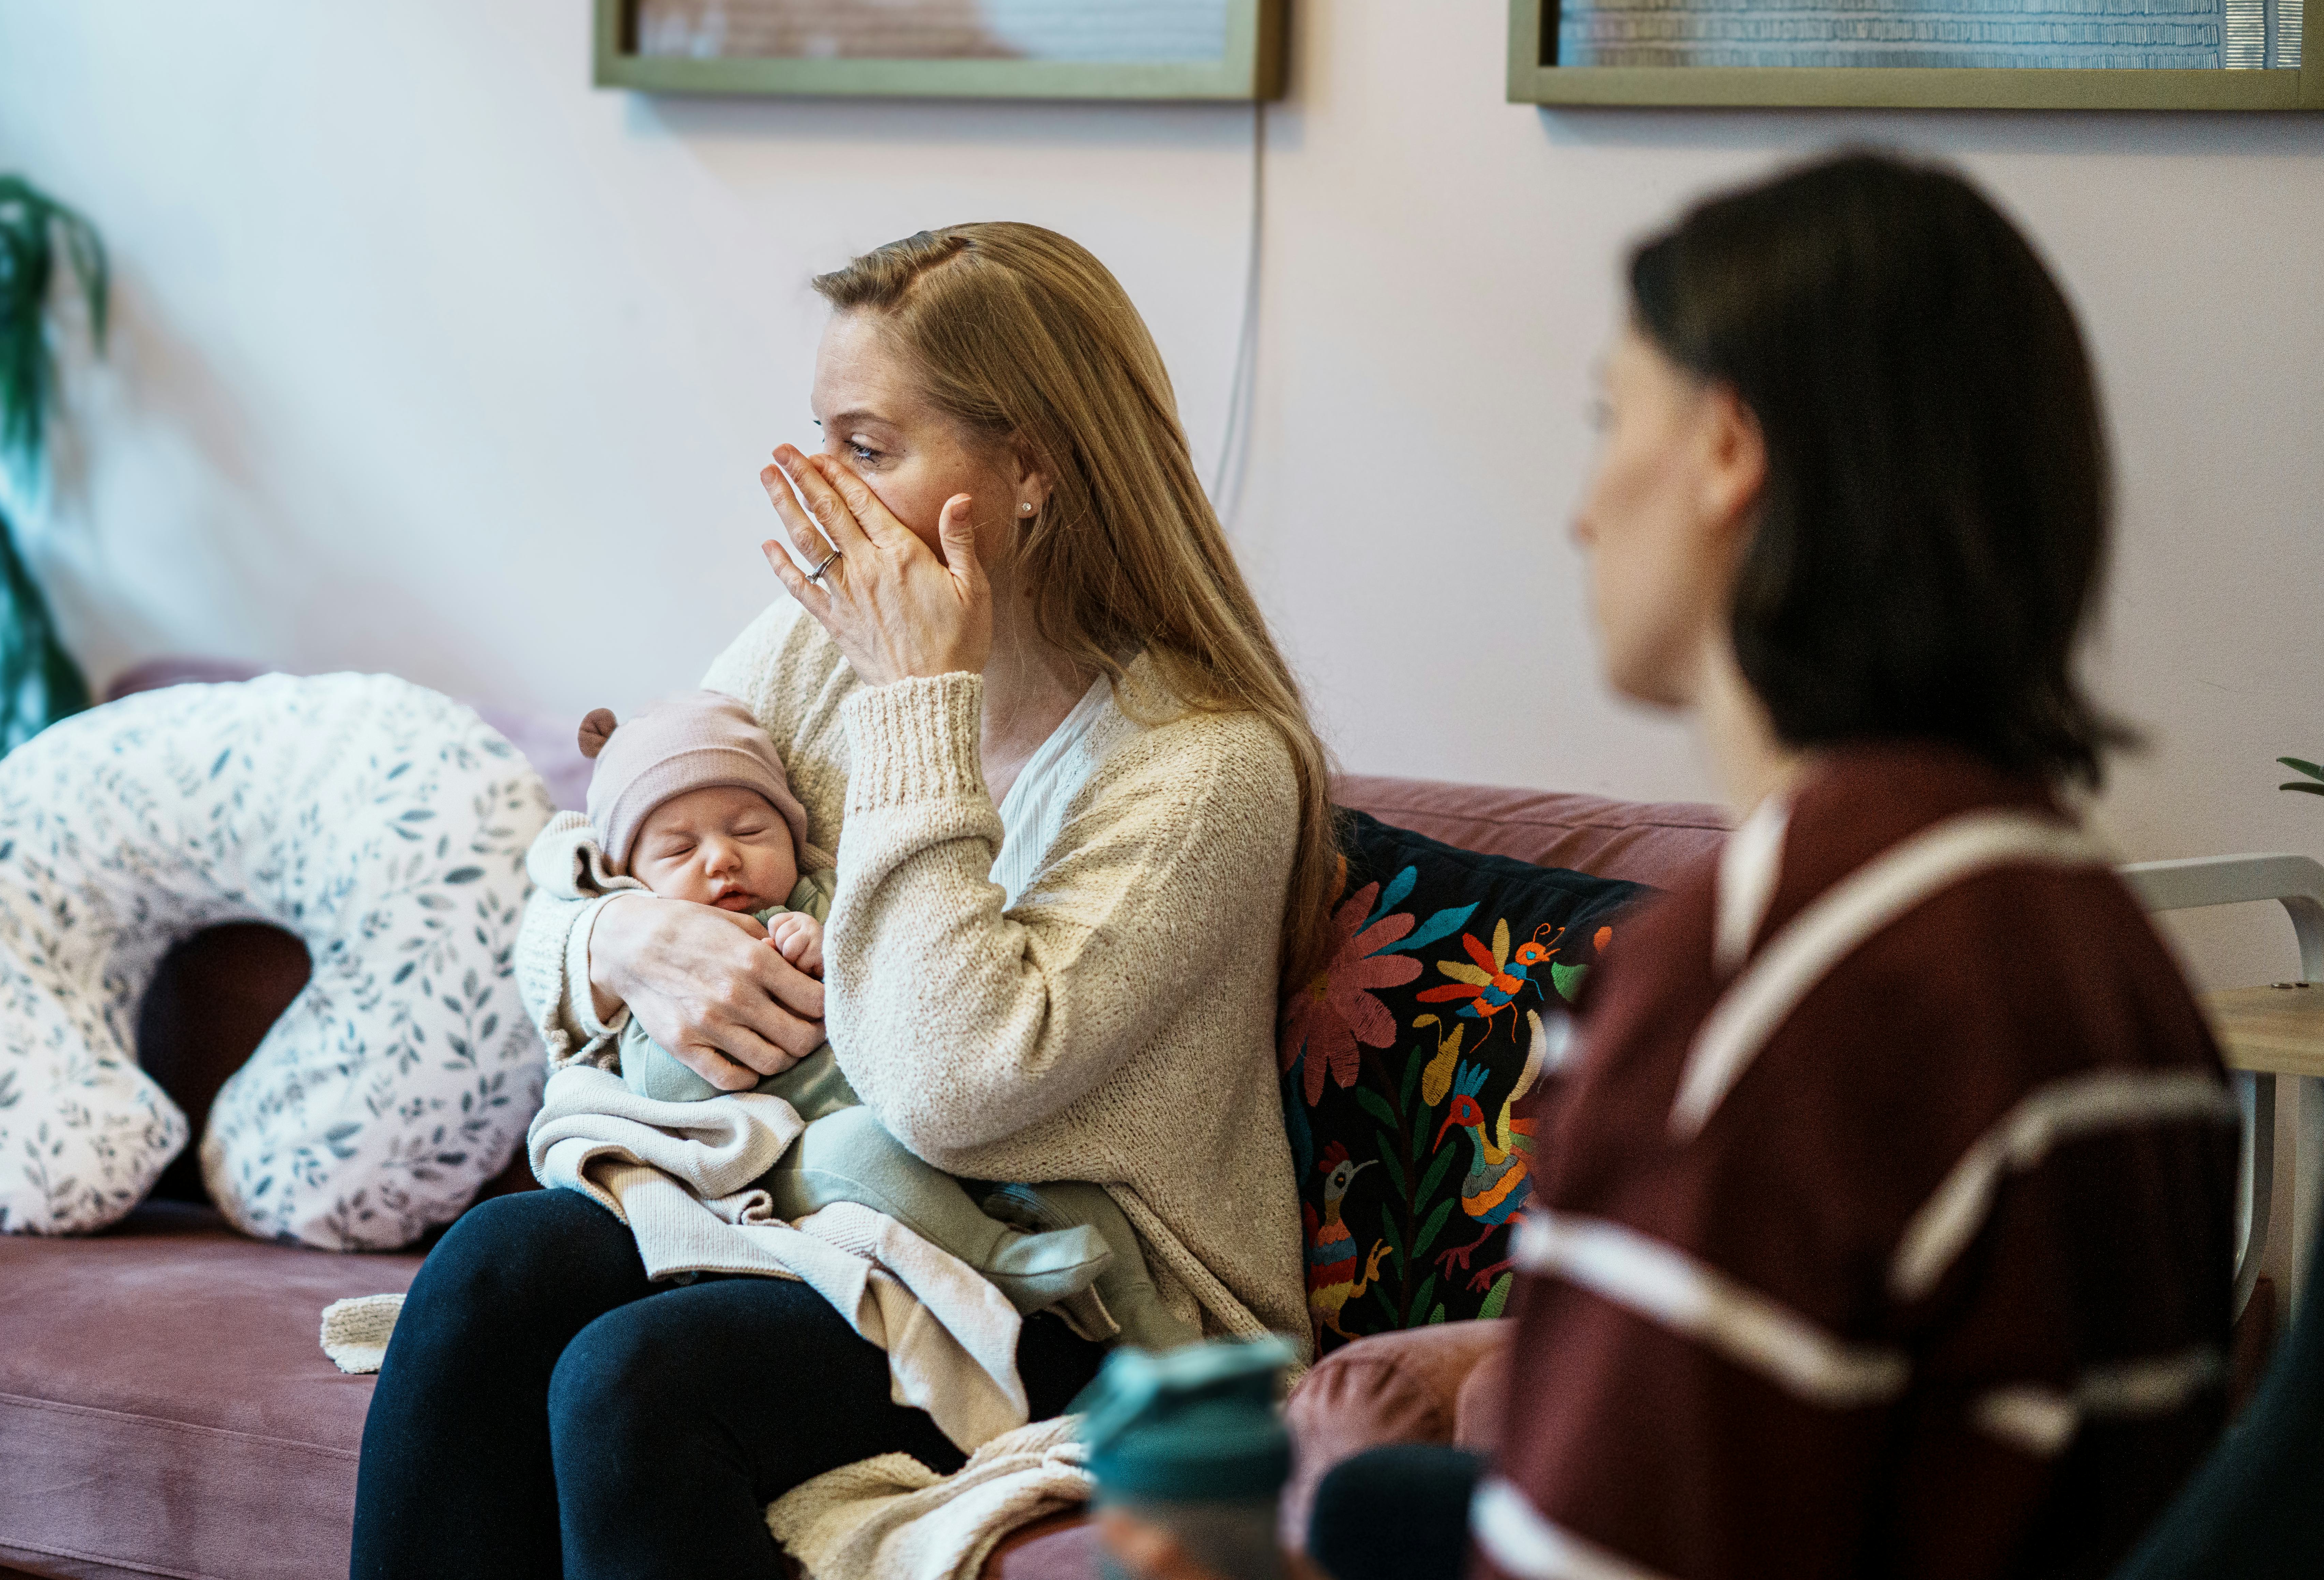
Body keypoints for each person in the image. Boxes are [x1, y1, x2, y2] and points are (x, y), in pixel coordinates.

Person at [1113, 150, 2238, 1580]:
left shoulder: (1763, 976)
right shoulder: (2095, 935)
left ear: (1725, 450)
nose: (1582, 507)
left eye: (1607, 420)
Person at [350, 222, 1335, 1580]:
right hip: (823, 1219)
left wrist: (919, 702)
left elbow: (946, 1084)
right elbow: (589, 859)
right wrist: (616, 937)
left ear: (1031, 470)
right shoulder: (811, 654)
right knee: (493, 1268)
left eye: (867, 448)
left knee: (639, 1381)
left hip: (1078, 1296)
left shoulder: (1208, 770)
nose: (824, 493)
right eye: (821, 439)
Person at [533, 688, 1189, 1342]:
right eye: (679, 850)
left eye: (749, 831)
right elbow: (665, 1086)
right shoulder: (658, 979)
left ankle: (1154, 1331)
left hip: (935, 1115)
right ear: (635, 883)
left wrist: (834, 952)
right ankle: (1001, 1264)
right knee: (862, 1152)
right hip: (790, 1148)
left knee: (1076, 1190)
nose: (722, 858)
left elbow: (914, 974)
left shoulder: (827, 901)